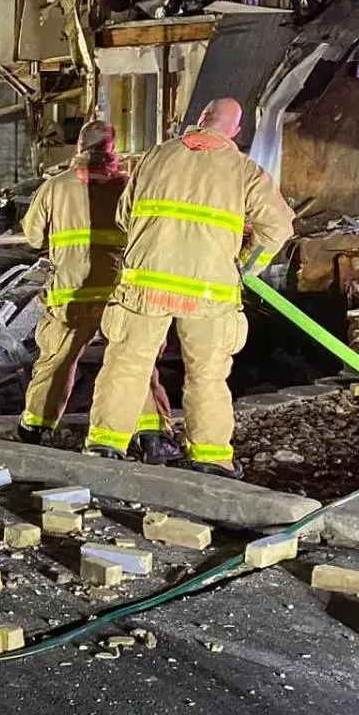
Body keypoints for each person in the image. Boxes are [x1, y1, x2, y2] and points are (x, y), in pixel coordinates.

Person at [84, 97, 294, 478]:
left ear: (200, 119)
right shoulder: (244, 170)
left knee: (127, 364)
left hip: (145, 285)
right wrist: (245, 267)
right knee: (207, 375)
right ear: (235, 130)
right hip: (210, 293)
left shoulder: (156, 156)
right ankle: (211, 458)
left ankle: (105, 444)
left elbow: (123, 215)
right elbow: (278, 227)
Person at [18, 121, 170, 459]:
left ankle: (36, 427)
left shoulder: (55, 187)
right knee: (133, 362)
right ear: (111, 149)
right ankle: (151, 436)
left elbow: (32, 237)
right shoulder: (127, 186)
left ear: (79, 148)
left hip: (70, 294)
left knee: (57, 359)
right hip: (118, 292)